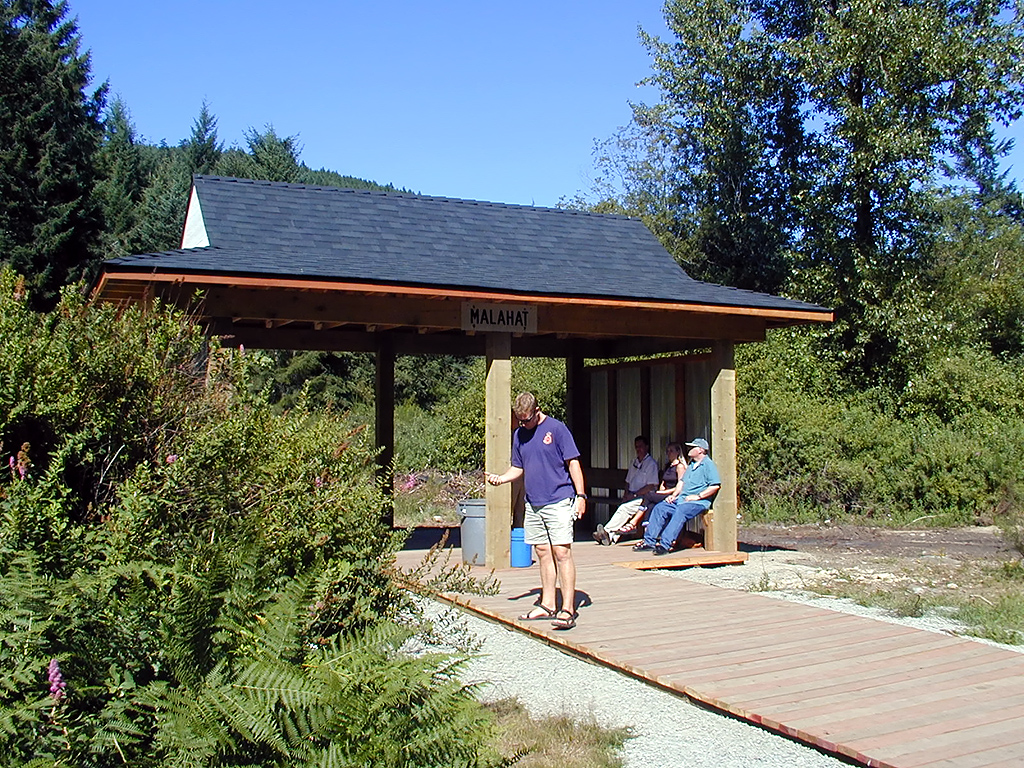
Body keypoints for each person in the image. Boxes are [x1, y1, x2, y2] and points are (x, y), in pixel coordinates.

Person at [487, 392, 587, 630]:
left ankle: (568, 609)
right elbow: (517, 467)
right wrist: (500, 479)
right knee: (542, 551)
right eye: (519, 421)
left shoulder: (557, 429)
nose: (523, 425)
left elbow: (573, 462)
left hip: (559, 500)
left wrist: (581, 496)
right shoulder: (520, 435)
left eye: (526, 420)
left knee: (561, 552)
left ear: (537, 411)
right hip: (534, 503)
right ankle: (548, 603)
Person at [633, 438, 720, 556]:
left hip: (697, 502)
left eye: (692, 447)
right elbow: (681, 483)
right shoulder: (692, 465)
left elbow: (715, 485)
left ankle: (665, 544)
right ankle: (649, 542)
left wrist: (698, 496)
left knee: (681, 511)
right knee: (661, 507)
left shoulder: (708, 465)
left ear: (700, 450)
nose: (689, 449)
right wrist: (673, 496)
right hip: (681, 499)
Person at [595, 442, 684, 545]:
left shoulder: (656, 464)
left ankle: (624, 526)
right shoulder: (664, 466)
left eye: (671, 451)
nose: (668, 453)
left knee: (628, 507)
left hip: (649, 496)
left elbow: (677, 486)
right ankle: (611, 536)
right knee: (640, 505)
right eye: (667, 451)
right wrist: (626, 494)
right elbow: (628, 482)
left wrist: (637, 495)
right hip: (648, 497)